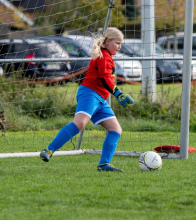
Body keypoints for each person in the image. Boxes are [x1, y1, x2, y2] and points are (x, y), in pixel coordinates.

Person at [39, 27, 134, 172]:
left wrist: (114, 93)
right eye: (118, 43)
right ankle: (49, 150)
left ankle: (104, 164)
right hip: (90, 93)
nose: (120, 47)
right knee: (80, 124)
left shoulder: (106, 55)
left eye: (121, 43)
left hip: (101, 98)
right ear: (107, 42)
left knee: (115, 130)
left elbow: (106, 80)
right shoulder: (103, 56)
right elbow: (104, 79)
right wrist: (118, 93)